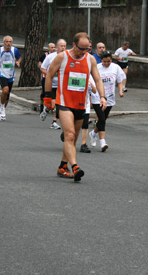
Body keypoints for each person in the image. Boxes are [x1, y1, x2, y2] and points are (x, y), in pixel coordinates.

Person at [44, 32, 106, 182]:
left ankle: (62, 167)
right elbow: (50, 75)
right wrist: (48, 97)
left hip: (81, 104)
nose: (83, 52)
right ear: (74, 44)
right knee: (70, 135)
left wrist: (102, 97)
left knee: (73, 138)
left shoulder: (90, 59)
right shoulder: (62, 57)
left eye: (86, 49)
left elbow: (98, 79)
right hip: (64, 102)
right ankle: (75, 167)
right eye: (81, 49)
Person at [88, 51, 126, 152]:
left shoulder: (115, 67)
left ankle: (93, 133)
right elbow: (91, 82)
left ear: (111, 60)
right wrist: (91, 96)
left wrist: (121, 91)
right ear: (101, 60)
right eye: (104, 62)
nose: (106, 64)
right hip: (98, 97)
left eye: (108, 61)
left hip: (110, 97)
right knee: (101, 118)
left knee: (103, 119)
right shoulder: (96, 68)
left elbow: (120, 80)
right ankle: (102, 142)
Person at [40, 39, 67, 129]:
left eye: (64, 46)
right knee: (52, 103)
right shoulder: (50, 57)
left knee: (58, 103)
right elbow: (42, 68)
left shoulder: (67, 57)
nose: (63, 48)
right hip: (51, 83)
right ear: (57, 47)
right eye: (61, 46)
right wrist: (50, 74)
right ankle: (46, 109)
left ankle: (54, 122)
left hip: (61, 84)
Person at [0, 36, 21, 121]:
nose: (8, 43)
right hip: (1, 73)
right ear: (4, 43)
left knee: (7, 94)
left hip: (11, 74)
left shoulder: (14, 50)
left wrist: (18, 62)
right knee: (5, 90)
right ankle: (2, 107)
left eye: (10, 42)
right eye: (6, 41)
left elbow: (19, 57)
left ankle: (3, 110)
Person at [39, 43, 56, 113]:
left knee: (53, 93)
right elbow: (40, 64)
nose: (53, 49)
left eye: (54, 47)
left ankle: (51, 107)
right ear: (48, 48)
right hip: (45, 77)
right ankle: (42, 106)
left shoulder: (56, 56)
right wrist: (47, 73)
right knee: (44, 92)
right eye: (51, 47)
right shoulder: (45, 55)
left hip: (54, 78)